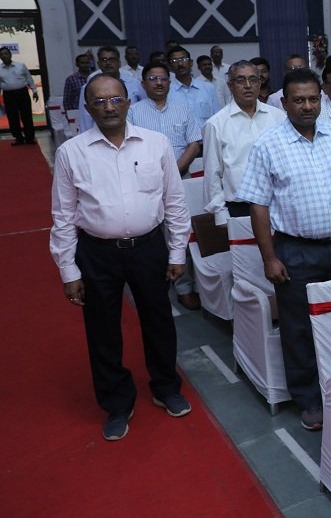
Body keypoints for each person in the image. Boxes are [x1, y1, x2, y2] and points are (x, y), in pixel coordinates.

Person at [50, 74, 193, 441]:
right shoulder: (71, 152)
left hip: (149, 248)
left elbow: (174, 202)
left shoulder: (156, 144)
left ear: (129, 102)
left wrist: (177, 250)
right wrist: (69, 269)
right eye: (99, 101)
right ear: (88, 107)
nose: (108, 107)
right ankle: (116, 402)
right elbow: (63, 216)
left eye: (115, 99)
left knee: (159, 320)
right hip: (97, 253)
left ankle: (165, 387)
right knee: (102, 330)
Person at [235, 68, 331, 431]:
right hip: (295, 252)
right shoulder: (268, 145)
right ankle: (309, 399)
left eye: (313, 99)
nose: (307, 106)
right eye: (298, 100)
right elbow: (259, 206)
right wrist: (269, 257)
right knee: (298, 330)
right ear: (284, 103)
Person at [127, 60, 204, 310]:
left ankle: (184, 287)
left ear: (169, 83)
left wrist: (175, 169)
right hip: (144, 182)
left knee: (180, 232)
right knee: (150, 235)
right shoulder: (134, 113)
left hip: (180, 179)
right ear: (143, 83)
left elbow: (194, 143)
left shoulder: (183, 110)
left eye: (163, 79)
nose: (159, 83)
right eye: (153, 78)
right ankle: (156, 284)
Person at [203, 61, 285, 225]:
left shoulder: (279, 118)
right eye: (240, 80)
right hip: (238, 209)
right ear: (230, 85)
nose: (248, 86)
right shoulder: (216, 124)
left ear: (260, 83)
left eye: (253, 80)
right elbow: (212, 174)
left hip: (278, 205)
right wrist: (220, 215)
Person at [76, 46, 146, 133]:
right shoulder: (89, 87)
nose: (108, 63)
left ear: (119, 63)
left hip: (133, 133)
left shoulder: (134, 84)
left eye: (112, 59)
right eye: (104, 60)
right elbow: (85, 119)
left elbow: (144, 109)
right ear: (98, 63)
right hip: (101, 135)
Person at [167, 46, 220, 126]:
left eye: (184, 59)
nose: (180, 64)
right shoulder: (167, 91)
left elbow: (217, 116)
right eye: (175, 61)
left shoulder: (208, 88)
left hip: (206, 137)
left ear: (191, 63)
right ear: (170, 66)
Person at [0, 46, 40, 145]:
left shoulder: (21, 65)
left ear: (10, 55)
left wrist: (34, 91)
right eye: (2, 54)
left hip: (22, 93)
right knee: (12, 117)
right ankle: (18, 138)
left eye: (6, 53)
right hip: (8, 95)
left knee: (26, 115)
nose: (4, 55)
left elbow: (29, 78)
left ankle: (30, 137)